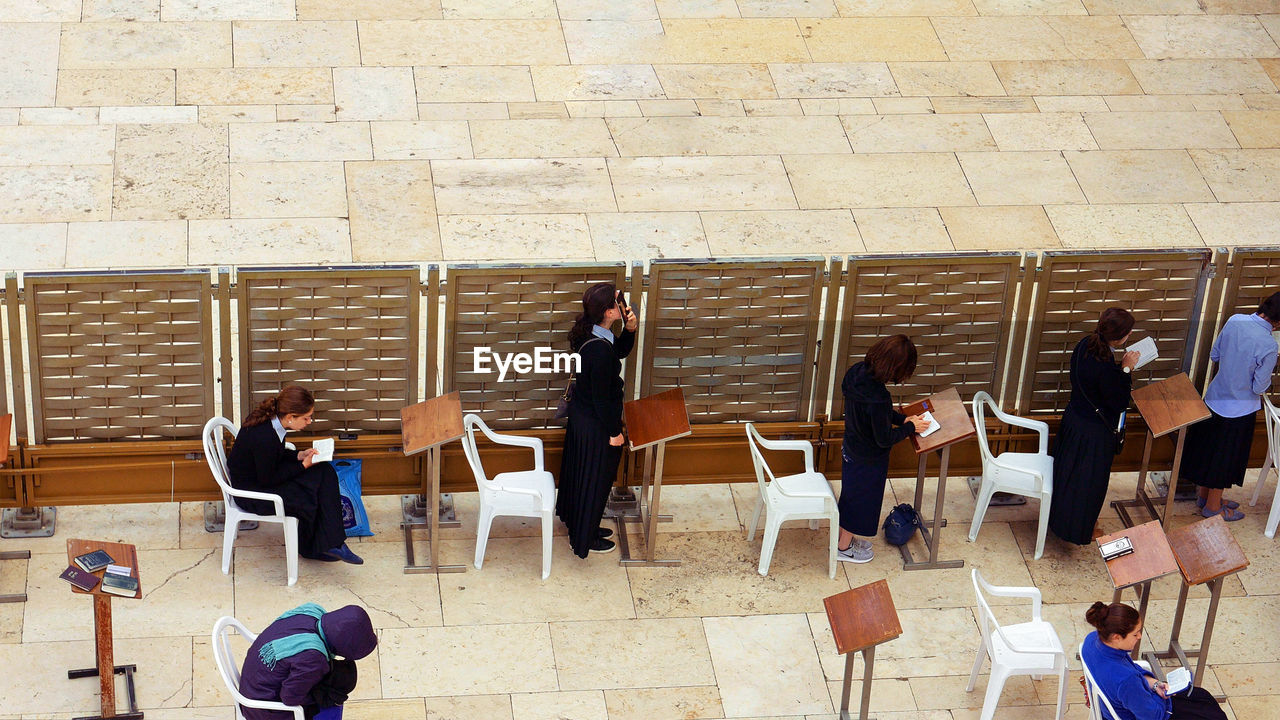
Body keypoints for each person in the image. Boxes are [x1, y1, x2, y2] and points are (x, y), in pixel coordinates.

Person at [227, 385, 362, 564]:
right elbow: (268, 478)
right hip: (253, 493)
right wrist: (303, 466)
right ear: (291, 417)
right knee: (309, 495)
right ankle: (313, 547)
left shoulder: (274, 423)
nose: (309, 421)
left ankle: (332, 543)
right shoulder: (264, 435)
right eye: (306, 418)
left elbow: (274, 455)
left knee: (324, 471)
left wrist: (298, 455)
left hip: (262, 476)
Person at [1180, 292, 1280, 521]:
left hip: (1214, 399)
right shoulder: (1268, 345)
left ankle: (1204, 497)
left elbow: (1215, 354)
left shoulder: (1235, 320)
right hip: (1240, 410)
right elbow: (1259, 388)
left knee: (1209, 452)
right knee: (1225, 460)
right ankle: (1213, 507)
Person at [557, 283, 638, 557]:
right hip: (596, 427)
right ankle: (585, 536)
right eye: (619, 303)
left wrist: (630, 330)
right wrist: (615, 433)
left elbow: (619, 352)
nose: (624, 305)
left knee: (584, 480)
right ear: (608, 311)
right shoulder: (599, 351)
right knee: (596, 481)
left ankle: (584, 526)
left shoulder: (592, 333)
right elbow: (603, 399)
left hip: (583, 420)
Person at [1048, 308, 1138, 545]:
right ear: (1121, 337)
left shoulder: (1083, 344)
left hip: (1073, 422)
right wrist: (1127, 369)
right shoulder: (1107, 367)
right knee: (1088, 486)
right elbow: (1117, 400)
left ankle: (1058, 521)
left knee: (1067, 479)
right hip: (1093, 435)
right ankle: (1082, 529)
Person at [836, 335, 925, 563]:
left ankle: (841, 541)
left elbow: (877, 417)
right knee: (859, 503)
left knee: (850, 496)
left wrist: (903, 419)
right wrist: (911, 427)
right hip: (868, 459)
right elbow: (884, 438)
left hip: (851, 448)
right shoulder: (879, 397)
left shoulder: (856, 373)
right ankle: (843, 549)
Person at [1081, 602, 1227, 720]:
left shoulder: (1092, 640)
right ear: (1116, 637)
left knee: (1202, 697)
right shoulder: (1127, 681)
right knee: (1208, 710)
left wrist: (1154, 684)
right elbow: (1153, 716)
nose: (1139, 637)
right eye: (1135, 634)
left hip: (1113, 704)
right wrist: (1159, 697)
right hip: (1152, 712)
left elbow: (1128, 668)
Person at [239, 603, 378, 720]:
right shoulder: (314, 658)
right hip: (261, 708)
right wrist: (321, 696)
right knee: (333, 703)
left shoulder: (311, 611)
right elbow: (290, 698)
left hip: (253, 681)